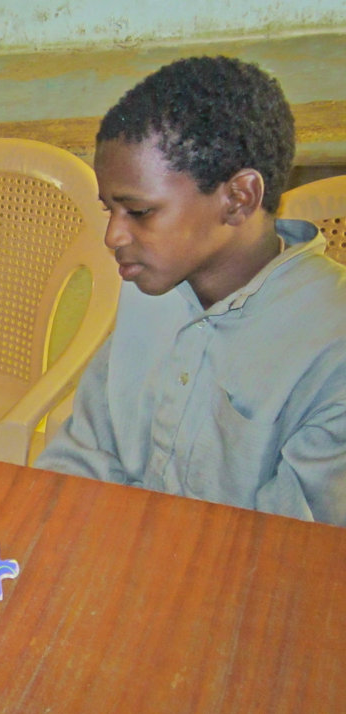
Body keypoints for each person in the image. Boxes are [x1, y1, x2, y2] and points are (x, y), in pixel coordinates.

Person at [35, 56, 346, 525]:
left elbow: (295, 553)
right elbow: (86, 453)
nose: (113, 237)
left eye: (138, 212)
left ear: (239, 198)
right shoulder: (148, 283)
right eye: (109, 211)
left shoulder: (331, 344)